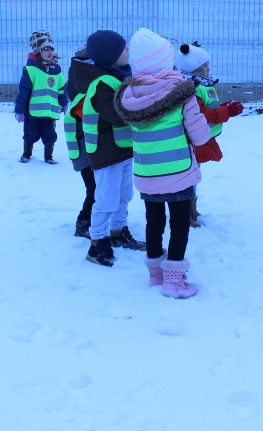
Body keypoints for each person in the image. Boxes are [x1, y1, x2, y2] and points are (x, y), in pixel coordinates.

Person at [116, 29, 223, 299]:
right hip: (178, 172)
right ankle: (174, 281)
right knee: (179, 224)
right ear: (166, 60)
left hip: (146, 173)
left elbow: (125, 136)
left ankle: (155, 274)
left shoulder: (129, 96)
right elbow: (200, 135)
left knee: (154, 222)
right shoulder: (182, 92)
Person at [68, 30, 145, 267]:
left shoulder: (118, 77)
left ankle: (118, 232)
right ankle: (97, 242)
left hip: (122, 148)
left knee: (124, 195)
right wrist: (145, 106)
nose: (128, 50)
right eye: (123, 48)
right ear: (110, 56)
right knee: (107, 198)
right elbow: (117, 115)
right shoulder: (102, 83)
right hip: (106, 152)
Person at [174, 41, 244, 226]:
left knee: (194, 174)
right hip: (191, 139)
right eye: (205, 65)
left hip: (201, 138)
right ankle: (186, 213)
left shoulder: (203, 84)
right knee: (189, 176)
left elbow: (210, 108)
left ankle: (192, 209)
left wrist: (226, 106)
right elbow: (202, 115)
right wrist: (227, 112)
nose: (209, 68)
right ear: (195, 69)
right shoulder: (192, 87)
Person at [14, 31, 67, 164]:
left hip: (49, 113)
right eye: (45, 49)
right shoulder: (31, 70)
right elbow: (23, 92)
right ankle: (26, 154)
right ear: (38, 51)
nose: (50, 52)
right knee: (30, 134)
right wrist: (20, 110)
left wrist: (64, 103)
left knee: (50, 136)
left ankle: (49, 157)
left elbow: (61, 89)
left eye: (52, 49)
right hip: (32, 113)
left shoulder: (57, 70)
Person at [62, 45, 98, 238]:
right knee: (94, 188)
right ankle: (83, 222)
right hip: (85, 150)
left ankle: (91, 220)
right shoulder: (83, 101)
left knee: (96, 188)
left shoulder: (81, 92)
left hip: (88, 149)